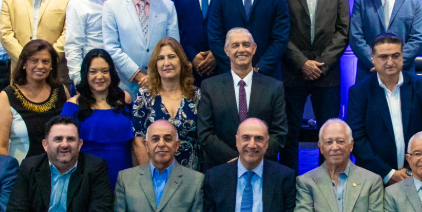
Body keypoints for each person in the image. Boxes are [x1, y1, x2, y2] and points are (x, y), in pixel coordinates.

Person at [278, 0, 350, 172]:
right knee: (288, 135)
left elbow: (343, 32)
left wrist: (321, 64)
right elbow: (280, 32)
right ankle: (289, 183)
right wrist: (302, 63)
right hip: (292, 73)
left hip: (327, 74)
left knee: (330, 136)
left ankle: (327, 183)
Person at [346, 34, 422, 185]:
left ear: (402, 57)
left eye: (395, 56)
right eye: (383, 57)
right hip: (375, 178)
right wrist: (388, 174)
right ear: (372, 58)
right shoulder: (359, 92)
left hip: (418, 175)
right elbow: (357, 138)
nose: (390, 62)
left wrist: (411, 170)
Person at [196, 28, 287, 167]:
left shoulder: (274, 87)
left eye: (246, 44)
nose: (241, 50)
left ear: (254, 48)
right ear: (226, 50)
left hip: (262, 166)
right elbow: (206, 134)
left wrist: (252, 158)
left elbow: (279, 134)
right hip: (222, 167)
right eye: (235, 45)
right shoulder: (210, 87)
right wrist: (238, 161)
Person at [103, 0, 181, 97]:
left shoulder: (167, 6)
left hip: (161, 85)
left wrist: (154, 77)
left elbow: (173, 46)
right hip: (124, 88)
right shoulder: (111, 6)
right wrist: (138, 76)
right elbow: (112, 48)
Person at [61, 49, 134, 186]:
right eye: (93, 72)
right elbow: (64, 146)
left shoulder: (125, 99)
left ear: (112, 73)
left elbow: (136, 143)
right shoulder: (72, 105)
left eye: (105, 71)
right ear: (85, 74)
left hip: (125, 173)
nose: (99, 76)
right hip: (87, 176)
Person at [0, 39, 70, 161]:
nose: (40, 66)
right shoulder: (7, 96)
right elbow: (0, 145)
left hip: (59, 167)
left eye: (45, 61)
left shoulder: (61, 91)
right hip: (21, 169)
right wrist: (8, 171)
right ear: (24, 63)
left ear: (51, 66)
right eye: (34, 61)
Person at [132, 38, 203, 171]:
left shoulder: (197, 95)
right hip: (155, 172)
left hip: (192, 173)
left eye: (171, 57)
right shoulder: (144, 96)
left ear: (181, 61)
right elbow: (139, 141)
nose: (166, 63)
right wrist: (149, 177)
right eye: (161, 58)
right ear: (155, 64)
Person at [64, 0, 129, 84]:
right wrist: (80, 82)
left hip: (126, 75)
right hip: (95, 79)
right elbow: (73, 46)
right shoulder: (77, 3)